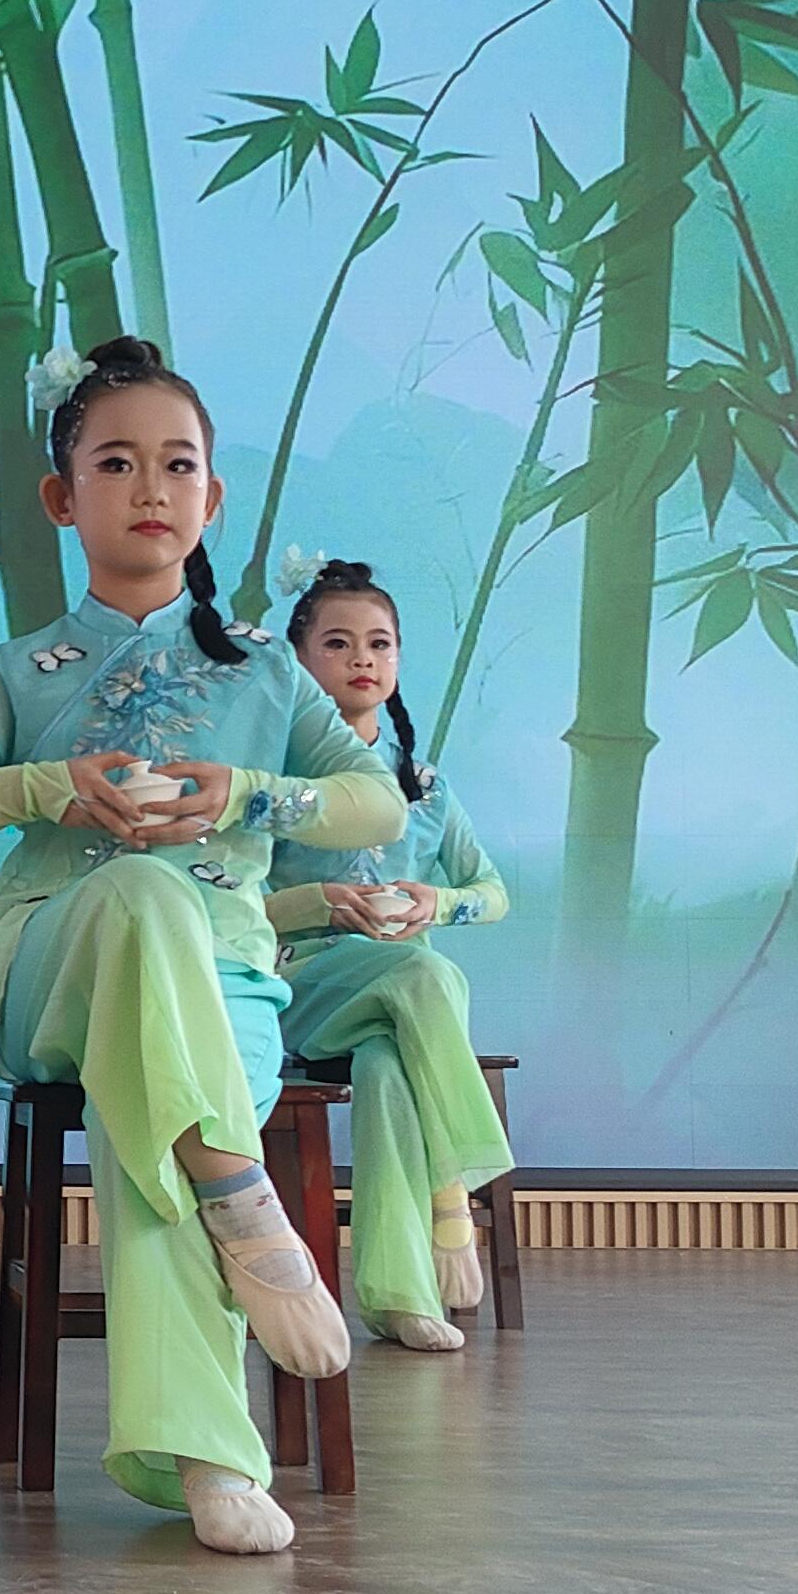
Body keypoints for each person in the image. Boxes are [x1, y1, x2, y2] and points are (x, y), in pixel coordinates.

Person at [0, 338, 405, 1553]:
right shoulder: (23, 672)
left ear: (212, 498)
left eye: (178, 465)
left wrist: (245, 795)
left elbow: (373, 805)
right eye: (114, 464)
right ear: (62, 501)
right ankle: (240, 1200)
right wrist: (49, 786)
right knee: (141, 902)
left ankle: (207, 1456)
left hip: (225, 994)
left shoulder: (268, 673)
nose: (150, 488)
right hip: (48, 972)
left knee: (150, 1091)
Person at [271, 557, 517, 1351]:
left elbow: (493, 892)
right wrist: (320, 902)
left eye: (379, 644)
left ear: (399, 659)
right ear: (299, 659)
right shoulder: (276, 780)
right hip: (295, 986)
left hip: (399, 1007)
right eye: (337, 643)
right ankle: (454, 1191)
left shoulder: (424, 784)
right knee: (428, 970)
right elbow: (223, 907)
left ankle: (396, 1295)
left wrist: (435, 902)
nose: (362, 660)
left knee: (386, 1065)